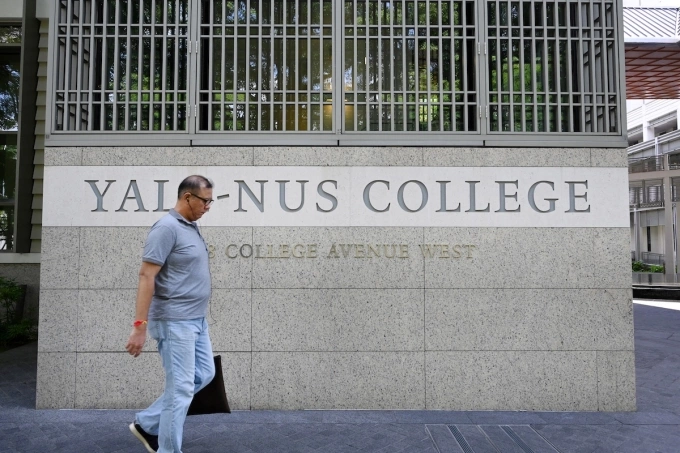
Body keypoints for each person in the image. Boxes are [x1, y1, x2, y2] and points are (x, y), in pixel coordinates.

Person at [125, 175, 216, 453]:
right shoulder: (166, 228)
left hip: (196, 320)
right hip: (175, 322)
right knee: (180, 391)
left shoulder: (191, 227)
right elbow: (146, 276)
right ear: (188, 197)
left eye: (211, 201)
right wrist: (139, 326)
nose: (208, 207)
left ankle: (147, 424)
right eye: (205, 201)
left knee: (204, 374)